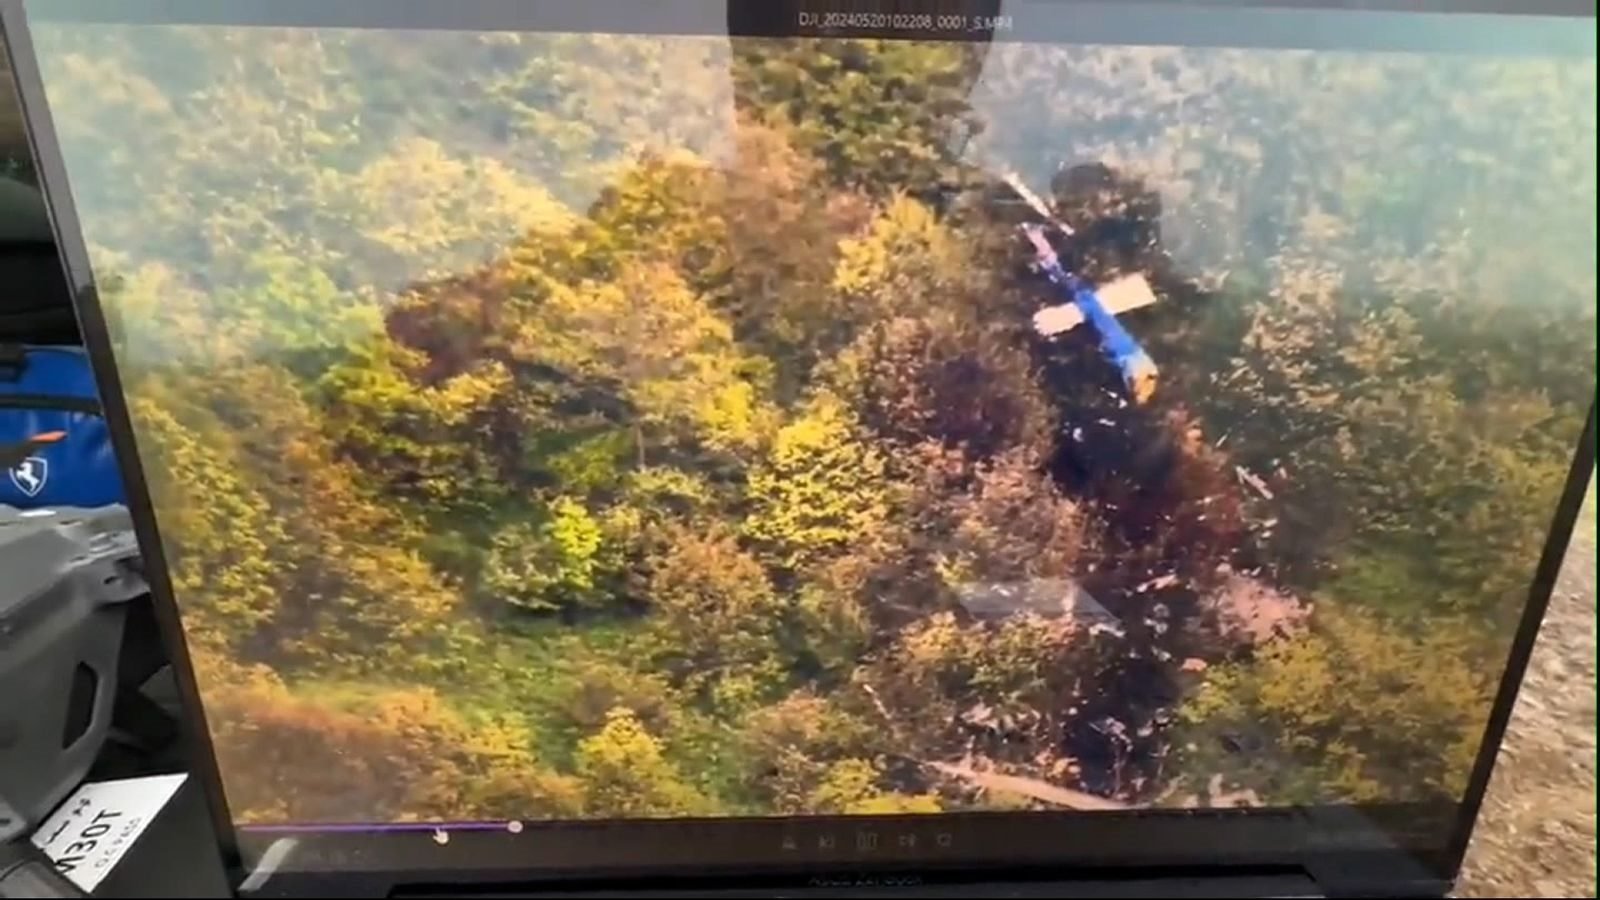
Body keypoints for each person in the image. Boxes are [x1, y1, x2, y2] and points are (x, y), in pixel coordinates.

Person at [1021, 223, 1158, 404]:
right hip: (1118, 344)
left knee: (1086, 301)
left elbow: (1095, 314)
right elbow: (1095, 313)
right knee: (1087, 303)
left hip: (1119, 344)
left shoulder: (1129, 356)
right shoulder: (1126, 356)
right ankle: (1039, 242)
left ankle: (1039, 242)